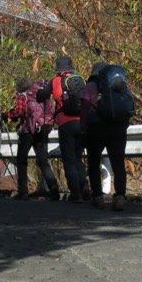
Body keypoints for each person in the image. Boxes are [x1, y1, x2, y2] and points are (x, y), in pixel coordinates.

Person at [81, 62, 131, 211]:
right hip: (118, 127)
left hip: (96, 127)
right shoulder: (119, 83)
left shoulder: (90, 86)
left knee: (94, 162)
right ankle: (120, 197)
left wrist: (83, 128)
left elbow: (84, 108)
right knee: (118, 163)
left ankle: (98, 197)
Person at [4, 77, 60, 201]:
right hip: (42, 130)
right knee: (43, 161)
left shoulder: (23, 96)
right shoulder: (41, 93)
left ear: (19, 87)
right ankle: (54, 187)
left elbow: (18, 113)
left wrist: (8, 114)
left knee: (22, 161)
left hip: (27, 131)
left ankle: (23, 191)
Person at [48, 56, 89, 203]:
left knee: (69, 160)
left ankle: (76, 193)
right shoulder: (79, 79)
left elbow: (42, 97)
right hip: (82, 121)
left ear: (58, 69)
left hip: (65, 123)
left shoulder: (55, 81)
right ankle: (84, 185)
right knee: (78, 157)